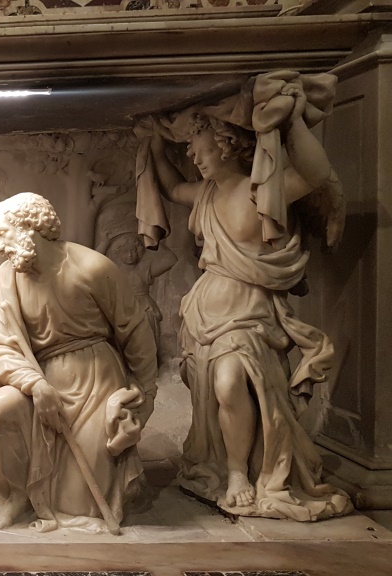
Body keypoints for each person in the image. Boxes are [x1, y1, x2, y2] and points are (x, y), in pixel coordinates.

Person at [142, 75, 352, 520]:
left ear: (226, 144)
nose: (193, 157)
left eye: (199, 148)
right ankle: (225, 467)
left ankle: (239, 474)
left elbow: (314, 174)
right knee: (212, 400)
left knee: (229, 383)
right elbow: (171, 188)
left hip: (251, 317)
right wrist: (155, 144)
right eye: (189, 150)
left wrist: (291, 120)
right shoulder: (205, 194)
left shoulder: (262, 191)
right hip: (203, 318)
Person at [0, 192, 157, 533]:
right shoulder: (7, 278)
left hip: (96, 381)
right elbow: (1, 346)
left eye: (3, 233)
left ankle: (75, 496)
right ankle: (17, 495)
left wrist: (145, 394)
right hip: (37, 377)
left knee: (79, 503)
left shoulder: (93, 268)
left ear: (29, 227)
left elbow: (135, 331)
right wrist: (36, 385)